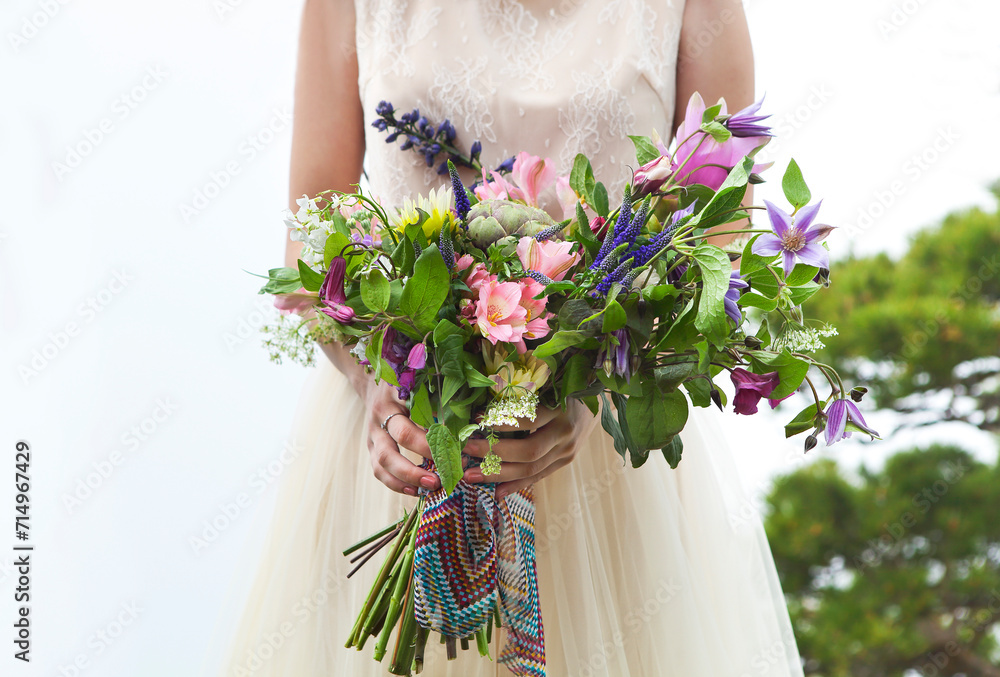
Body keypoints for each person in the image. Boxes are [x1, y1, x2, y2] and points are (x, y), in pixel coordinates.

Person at [211, 0, 805, 674]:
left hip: (610, 464)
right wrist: (373, 379)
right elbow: (311, 236)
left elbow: (717, 239)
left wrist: (599, 391)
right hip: (404, 447)